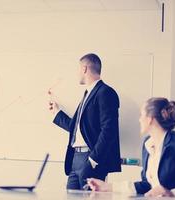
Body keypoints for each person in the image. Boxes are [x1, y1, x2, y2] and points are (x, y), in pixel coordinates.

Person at [49, 53, 121, 190]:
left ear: (84, 69)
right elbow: (77, 128)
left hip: (91, 159)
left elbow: (109, 130)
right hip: (75, 159)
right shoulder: (87, 94)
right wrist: (57, 113)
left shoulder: (105, 92)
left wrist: (93, 161)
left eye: (78, 69)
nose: (77, 73)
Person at [88, 97, 175, 197]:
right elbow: (146, 185)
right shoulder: (148, 145)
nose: (139, 119)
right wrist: (107, 187)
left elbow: (167, 191)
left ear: (150, 119)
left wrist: (172, 193)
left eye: (141, 115)